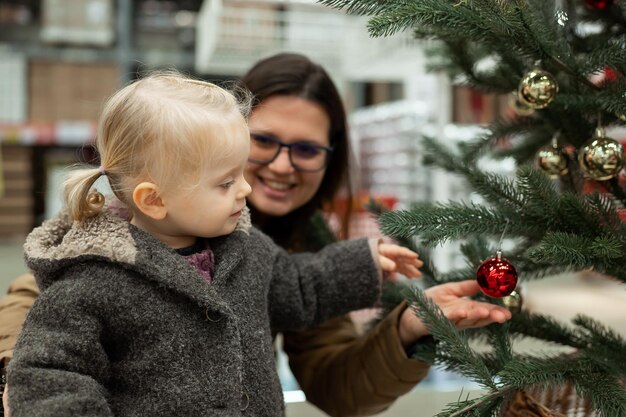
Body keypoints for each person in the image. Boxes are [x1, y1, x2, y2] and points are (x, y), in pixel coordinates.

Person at [0, 53, 512, 417]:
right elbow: (47, 353)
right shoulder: (100, 266)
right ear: (154, 198)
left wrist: (394, 308)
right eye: (261, 144)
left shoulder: (253, 250)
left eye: (307, 150)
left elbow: (303, 286)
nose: (268, 173)